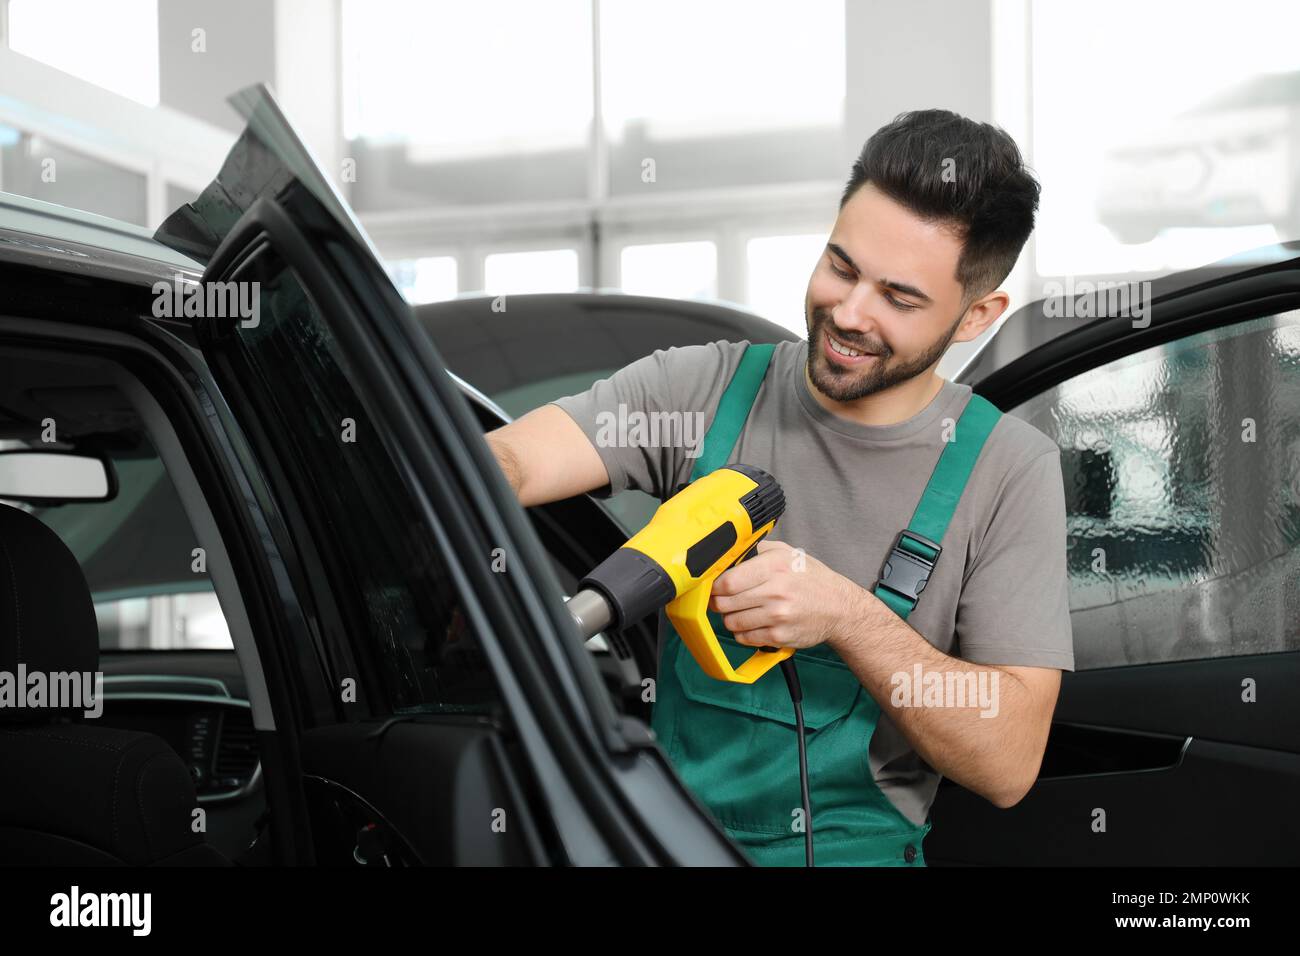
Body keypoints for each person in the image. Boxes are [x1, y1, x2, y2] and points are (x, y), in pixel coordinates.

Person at [486, 108, 1073, 866]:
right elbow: (510, 463)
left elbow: (1007, 761)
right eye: (841, 266)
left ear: (976, 316)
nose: (849, 312)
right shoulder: (701, 392)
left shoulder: (1006, 470)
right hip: (667, 845)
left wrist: (847, 617)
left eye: (898, 298)